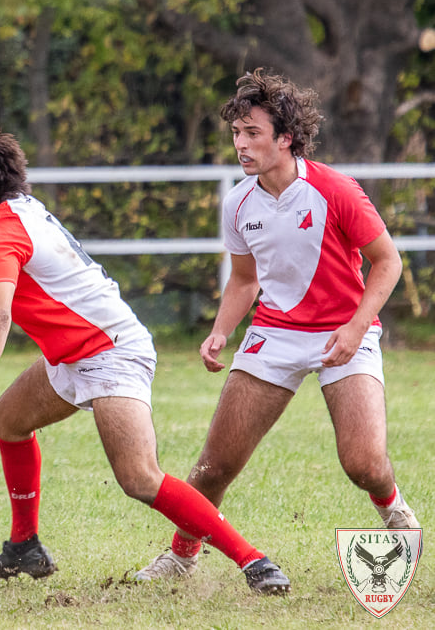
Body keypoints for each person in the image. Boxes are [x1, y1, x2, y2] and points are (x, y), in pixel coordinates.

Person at [0, 125, 290, 594]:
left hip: (112, 352)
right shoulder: (10, 215)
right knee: (9, 420)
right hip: (72, 355)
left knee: (139, 477)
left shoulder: (4, 231)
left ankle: (253, 561)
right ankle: (24, 546)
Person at [135, 69, 419, 583]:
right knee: (213, 467)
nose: (241, 146)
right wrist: (222, 330)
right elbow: (244, 280)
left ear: (285, 138)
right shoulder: (238, 202)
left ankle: (394, 508)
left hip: (344, 334)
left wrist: (356, 328)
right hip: (275, 336)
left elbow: (389, 263)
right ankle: (182, 556)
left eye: (253, 134)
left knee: (364, 464)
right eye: (236, 134)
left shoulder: (335, 190)